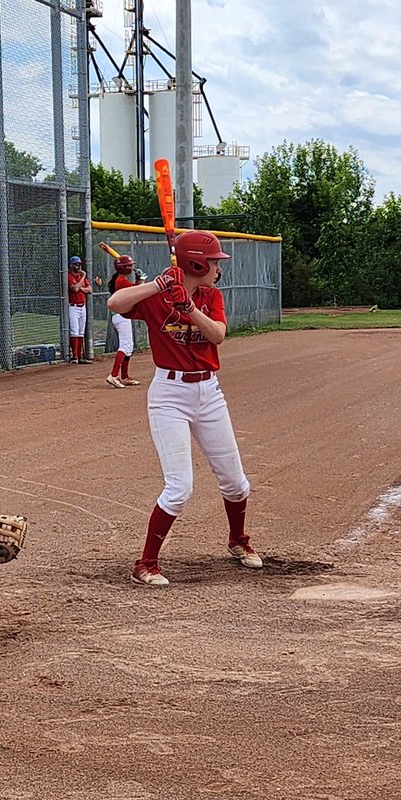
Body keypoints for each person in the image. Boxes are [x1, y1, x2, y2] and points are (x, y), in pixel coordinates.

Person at [106, 230, 262, 587]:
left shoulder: (211, 295)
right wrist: (159, 285)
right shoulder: (159, 295)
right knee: (179, 488)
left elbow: (218, 335)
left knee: (237, 483)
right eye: (212, 263)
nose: (217, 269)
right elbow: (115, 304)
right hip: (169, 395)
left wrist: (188, 308)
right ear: (194, 262)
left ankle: (238, 541)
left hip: (209, 392)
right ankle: (145, 564)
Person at [105, 255, 143, 389]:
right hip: (121, 316)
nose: (132, 268)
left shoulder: (121, 279)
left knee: (129, 346)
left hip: (121, 316)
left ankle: (125, 376)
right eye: (130, 266)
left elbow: (134, 289)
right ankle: (114, 375)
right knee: (125, 346)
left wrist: (138, 280)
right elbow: (136, 292)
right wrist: (141, 281)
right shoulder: (121, 281)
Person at [67, 255, 92, 363]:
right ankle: (74, 356)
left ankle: (80, 356)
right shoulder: (69, 276)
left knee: (81, 332)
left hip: (83, 305)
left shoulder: (80, 276)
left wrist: (80, 287)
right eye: (76, 264)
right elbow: (75, 289)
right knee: (74, 331)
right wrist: (83, 278)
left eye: (79, 264)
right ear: (71, 265)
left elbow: (90, 289)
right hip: (73, 306)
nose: (79, 266)